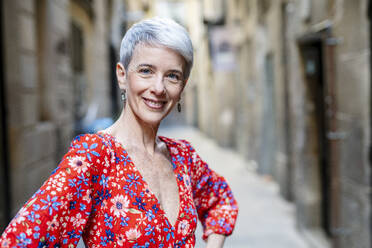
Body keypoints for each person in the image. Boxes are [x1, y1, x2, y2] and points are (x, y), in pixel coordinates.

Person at [0, 17, 238, 248]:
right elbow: (20, 240)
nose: (158, 88)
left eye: (172, 76)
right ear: (122, 75)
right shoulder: (95, 156)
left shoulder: (183, 157)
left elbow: (222, 201)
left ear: (182, 87)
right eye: (146, 71)